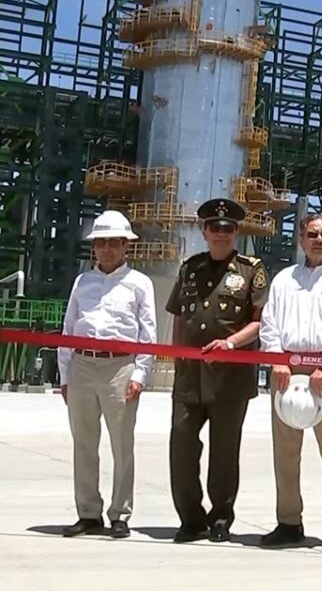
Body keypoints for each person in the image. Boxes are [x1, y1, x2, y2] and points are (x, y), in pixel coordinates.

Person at [257, 213, 322, 550]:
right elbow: (269, 320)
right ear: (301, 238)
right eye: (313, 234)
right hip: (286, 372)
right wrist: (275, 358)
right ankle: (289, 521)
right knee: (285, 452)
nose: (320, 240)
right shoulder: (284, 279)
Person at [166, 198, 269, 543]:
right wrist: (178, 357)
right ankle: (191, 518)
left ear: (236, 232)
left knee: (224, 450)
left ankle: (221, 516)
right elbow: (179, 316)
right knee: (181, 444)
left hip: (230, 378)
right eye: (214, 227)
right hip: (189, 375)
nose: (220, 233)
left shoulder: (251, 270)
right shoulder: (189, 268)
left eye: (227, 228)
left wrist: (231, 344)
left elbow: (259, 322)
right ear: (204, 231)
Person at [58, 210, 156, 539]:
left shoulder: (140, 284)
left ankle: (120, 513)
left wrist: (140, 374)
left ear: (126, 245)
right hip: (83, 365)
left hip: (120, 366)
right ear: (94, 248)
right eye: (101, 243)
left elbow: (148, 334)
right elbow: (68, 329)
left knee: (121, 444)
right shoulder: (83, 282)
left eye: (114, 242)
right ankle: (88, 512)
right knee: (84, 443)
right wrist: (65, 376)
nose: (107, 248)